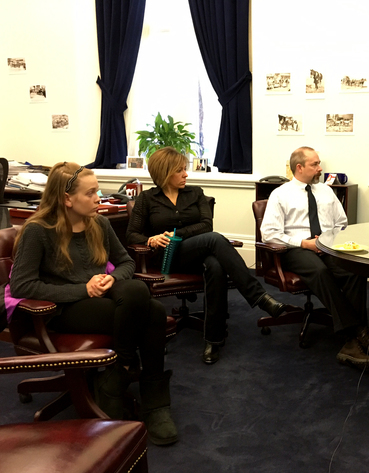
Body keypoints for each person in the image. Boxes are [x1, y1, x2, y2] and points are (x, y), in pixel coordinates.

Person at [10, 162, 177, 446]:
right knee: (154, 313)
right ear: (67, 199)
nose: (98, 198)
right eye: (90, 193)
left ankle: (119, 374)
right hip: (63, 308)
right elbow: (21, 285)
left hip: (100, 296)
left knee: (138, 292)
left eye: (97, 190)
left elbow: (126, 262)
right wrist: (83, 289)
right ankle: (151, 400)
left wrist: (111, 279)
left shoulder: (99, 223)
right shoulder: (37, 230)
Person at [126, 147, 285, 365]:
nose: (186, 174)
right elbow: (131, 234)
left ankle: (213, 339)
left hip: (194, 254)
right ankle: (259, 297)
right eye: (180, 170)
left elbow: (205, 225)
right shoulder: (147, 199)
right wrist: (151, 239)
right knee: (214, 240)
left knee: (215, 265)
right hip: (166, 259)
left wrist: (176, 234)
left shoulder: (195, 193)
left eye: (185, 169)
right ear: (165, 173)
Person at [260, 146, 369, 371]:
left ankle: (353, 342)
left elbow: (342, 222)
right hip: (294, 249)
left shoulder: (326, 191)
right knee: (319, 271)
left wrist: (330, 240)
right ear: (299, 167)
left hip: (327, 246)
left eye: (319, 164)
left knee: (354, 269)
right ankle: (360, 334)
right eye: (315, 164)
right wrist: (303, 243)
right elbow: (269, 233)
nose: (320, 168)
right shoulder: (280, 194)